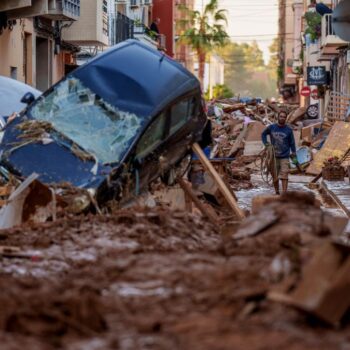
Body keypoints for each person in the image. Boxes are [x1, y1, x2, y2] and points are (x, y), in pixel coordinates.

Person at [261, 111, 296, 195]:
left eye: (284, 117)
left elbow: (292, 142)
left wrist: (294, 154)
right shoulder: (271, 127)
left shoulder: (289, 130)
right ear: (278, 117)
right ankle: (277, 192)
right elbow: (263, 134)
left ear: (286, 118)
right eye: (281, 116)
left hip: (285, 156)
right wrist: (266, 143)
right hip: (274, 156)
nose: (282, 118)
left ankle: (284, 194)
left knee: (284, 175)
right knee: (274, 176)